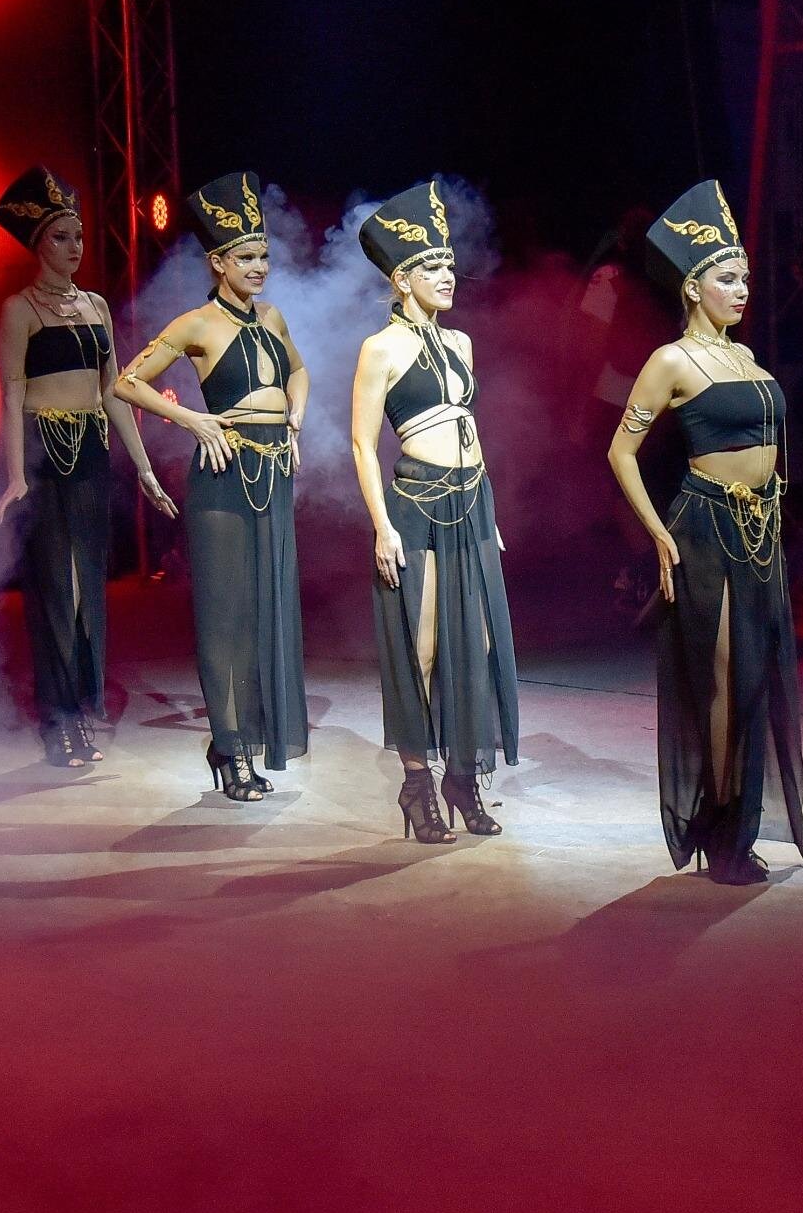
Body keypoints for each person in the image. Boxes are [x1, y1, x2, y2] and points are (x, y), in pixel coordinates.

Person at [604, 180, 803, 885]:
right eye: (727, 279)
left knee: (756, 680)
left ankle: (738, 821)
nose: (742, 290)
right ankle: (721, 830)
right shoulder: (671, 361)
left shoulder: (746, 360)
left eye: (745, 278)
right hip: (705, 528)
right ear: (693, 287)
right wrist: (658, 535)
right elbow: (620, 451)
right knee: (721, 682)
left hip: (760, 531)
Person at [112, 171, 310, 800]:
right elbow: (125, 383)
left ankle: (242, 741)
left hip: (272, 473)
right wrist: (193, 421)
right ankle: (232, 748)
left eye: (264, 256)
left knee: (265, 612)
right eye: (246, 257)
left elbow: (298, 372)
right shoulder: (196, 324)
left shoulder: (273, 317)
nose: (259, 268)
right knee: (227, 617)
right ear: (218, 262)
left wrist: (295, 420)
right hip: (224, 477)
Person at [345, 176, 519, 843]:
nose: (448, 276)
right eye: (432, 267)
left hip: (472, 500)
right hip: (415, 503)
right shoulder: (380, 349)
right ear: (401, 279)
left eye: (450, 264)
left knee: (475, 642)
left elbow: (471, 429)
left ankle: (463, 778)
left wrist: (490, 513)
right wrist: (381, 526)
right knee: (420, 647)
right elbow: (362, 443)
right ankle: (418, 785)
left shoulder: (462, 343)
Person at [0, 167, 175, 766]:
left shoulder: (96, 306)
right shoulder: (19, 310)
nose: (75, 247)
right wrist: (15, 476)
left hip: (91, 450)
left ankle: (82, 710)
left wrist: (144, 468)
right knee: (53, 586)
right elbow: (11, 396)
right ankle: (58, 721)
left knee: (86, 585)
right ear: (38, 244)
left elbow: (114, 391)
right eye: (61, 237)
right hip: (43, 452)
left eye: (80, 236)